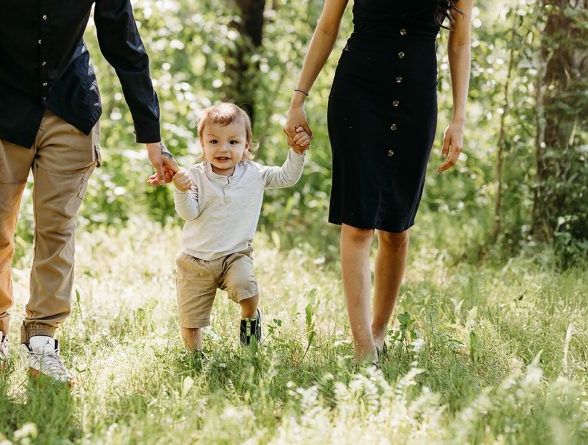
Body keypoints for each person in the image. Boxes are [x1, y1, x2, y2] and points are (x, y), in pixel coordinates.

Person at [0, 0, 179, 384]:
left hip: (71, 108)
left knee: (57, 229)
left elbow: (124, 43)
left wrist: (152, 137)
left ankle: (42, 341)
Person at [284, 0, 472, 364]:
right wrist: (297, 101)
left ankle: (379, 332)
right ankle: (364, 349)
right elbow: (327, 26)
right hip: (358, 95)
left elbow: (461, 41)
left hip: (417, 99)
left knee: (397, 228)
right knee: (358, 224)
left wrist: (459, 117)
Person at [167, 103, 309, 351]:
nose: (223, 148)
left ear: (246, 145)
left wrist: (296, 153)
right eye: (214, 141)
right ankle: (195, 360)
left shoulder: (255, 174)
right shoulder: (196, 176)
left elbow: (287, 177)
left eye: (233, 142)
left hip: (235, 255)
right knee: (191, 321)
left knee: (248, 291)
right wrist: (181, 190)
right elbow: (189, 212)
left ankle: (250, 325)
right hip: (195, 260)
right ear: (202, 144)